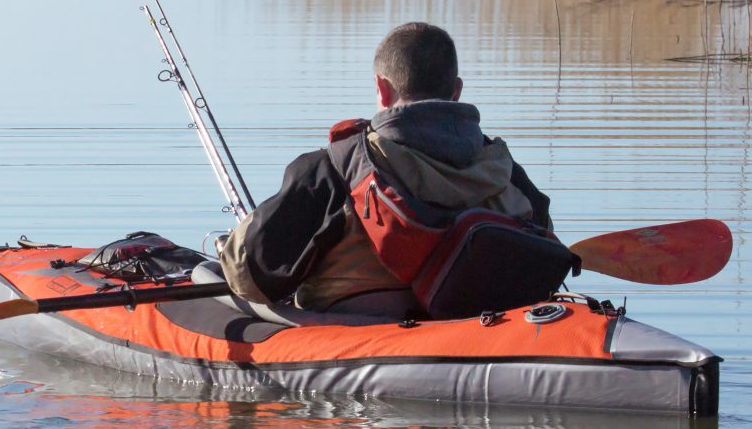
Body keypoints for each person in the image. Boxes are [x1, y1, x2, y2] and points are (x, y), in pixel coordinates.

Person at [217, 21, 559, 317]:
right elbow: (543, 255)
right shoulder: (505, 171)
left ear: (382, 89)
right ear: (456, 91)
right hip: (483, 337)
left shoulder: (336, 168)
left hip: (363, 346)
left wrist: (229, 247)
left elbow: (248, 277)